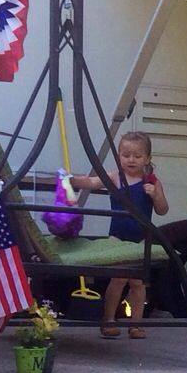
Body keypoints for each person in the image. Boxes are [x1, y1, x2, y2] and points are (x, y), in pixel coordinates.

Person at [75, 130, 168, 337]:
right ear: (119, 156)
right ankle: (108, 320)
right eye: (126, 155)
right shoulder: (114, 177)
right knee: (118, 279)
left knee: (138, 282)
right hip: (117, 236)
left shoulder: (152, 181)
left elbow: (162, 210)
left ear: (147, 158)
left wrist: (155, 195)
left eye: (137, 156)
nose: (131, 160)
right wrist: (71, 180)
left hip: (141, 239)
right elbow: (91, 182)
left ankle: (136, 325)